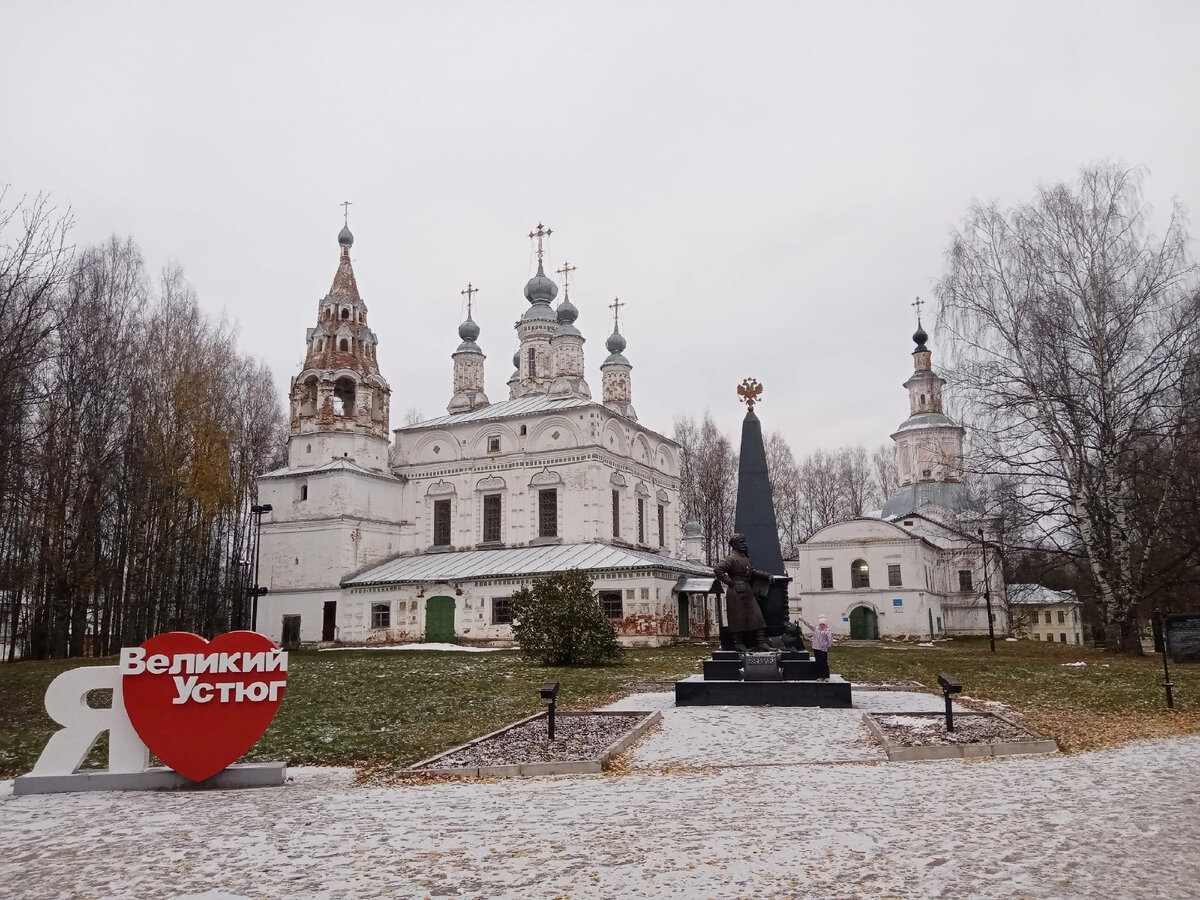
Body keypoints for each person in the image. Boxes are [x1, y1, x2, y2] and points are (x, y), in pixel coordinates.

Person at [713, 533, 774, 652]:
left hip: (747, 590)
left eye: (744, 542)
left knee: (757, 616)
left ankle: (761, 643)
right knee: (737, 618)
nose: (744, 544)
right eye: (741, 542)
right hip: (735, 592)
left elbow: (752, 572)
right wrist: (729, 582)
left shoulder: (745, 558)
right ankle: (738, 644)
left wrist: (767, 575)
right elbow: (717, 569)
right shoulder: (731, 558)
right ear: (735, 545)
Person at [800, 615, 834, 680]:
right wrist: (802, 619)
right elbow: (809, 625)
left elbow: (830, 639)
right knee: (818, 662)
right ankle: (820, 676)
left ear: (825, 624)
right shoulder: (816, 629)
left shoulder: (827, 630)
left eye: (823, 624)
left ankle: (826, 676)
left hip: (823, 649)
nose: (822, 626)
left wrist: (828, 645)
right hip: (816, 648)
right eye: (821, 624)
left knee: (824, 662)